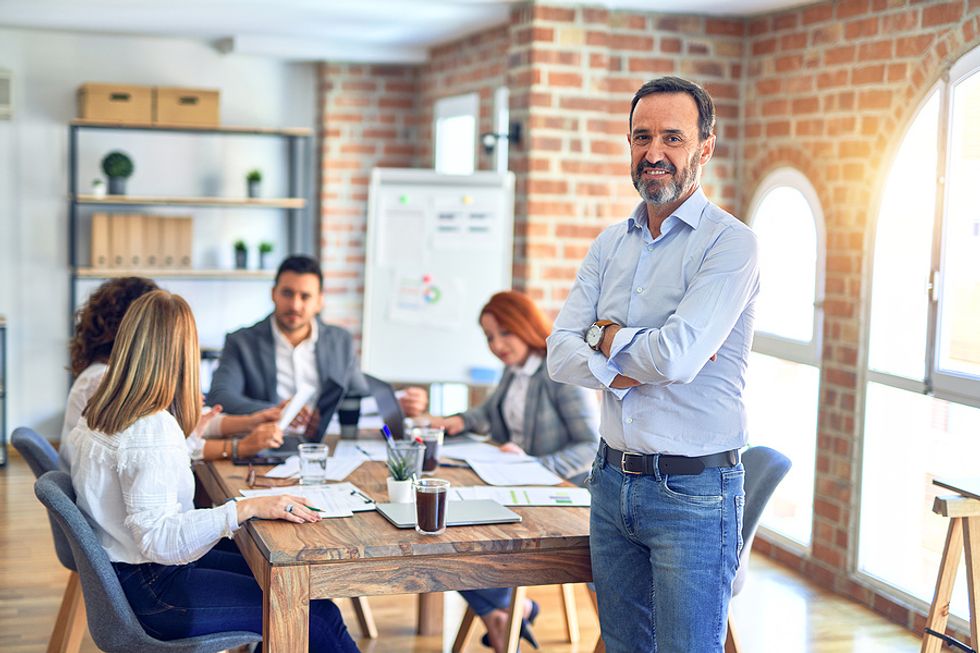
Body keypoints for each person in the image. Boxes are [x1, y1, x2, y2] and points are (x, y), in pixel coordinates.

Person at [547, 76, 760, 652]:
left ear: (705, 147)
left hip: (695, 491)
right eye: (642, 137)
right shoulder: (609, 245)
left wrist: (605, 336)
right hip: (611, 480)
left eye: (673, 137)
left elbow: (678, 355)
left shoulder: (730, 245)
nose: (654, 153)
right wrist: (625, 350)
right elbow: (559, 351)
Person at [66, 290, 359, 650]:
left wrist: (186, 439)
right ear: (182, 355)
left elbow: (136, 465)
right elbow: (158, 539)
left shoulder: (101, 410)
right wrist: (244, 508)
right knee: (316, 615)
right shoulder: (150, 428)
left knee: (282, 580)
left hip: (131, 575)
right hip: (156, 592)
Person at [422, 290, 600, 653]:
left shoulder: (559, 370)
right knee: (447, 526)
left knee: (460, 531)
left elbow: (590, 446)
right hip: (518, 485)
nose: (497, 345)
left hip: (558, 490)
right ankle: (507, 613)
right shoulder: (515, 369)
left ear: (524, 325)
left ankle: (506, 614)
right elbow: (489, 413)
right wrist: (455, 421)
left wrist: (532, 466)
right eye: (489, 337)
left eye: (504, 333)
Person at [61, 276, 283, 468]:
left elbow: (186, 423)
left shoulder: (114, 377)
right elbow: (159, 449)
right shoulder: (105, 381)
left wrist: (251, 421)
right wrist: (240, 447)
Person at [208, 255, 375, 439]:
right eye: (287, 293)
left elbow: (358, 395)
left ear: (319, 301)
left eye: (305, 296)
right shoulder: (241, 342)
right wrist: (277, 411)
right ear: (273, 293)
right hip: (264, 443)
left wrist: (399, 403)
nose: (295, 305)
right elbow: (220, 397)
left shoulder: (340, 340)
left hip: (324, 443)